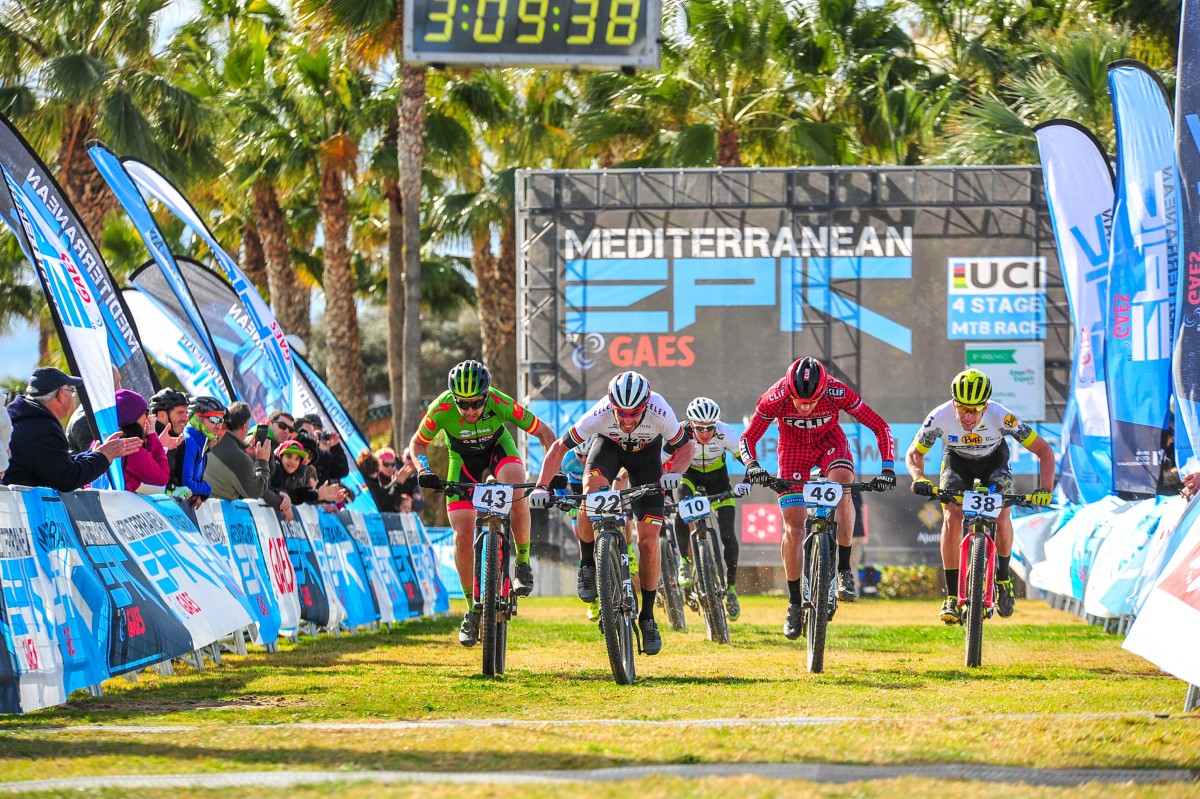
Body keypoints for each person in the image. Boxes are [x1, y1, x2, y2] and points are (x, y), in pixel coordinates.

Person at [530, 370, 695, 656]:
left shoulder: (660, 410)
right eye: (622, 414)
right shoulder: (600, 413)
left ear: (646, 405)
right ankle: (587, 565)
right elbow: (558, 448)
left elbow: (687, 448)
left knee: (648, 541)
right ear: (611, 405)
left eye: (635, 414)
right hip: (608, 451)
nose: (628, 420)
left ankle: (647, 617)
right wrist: (541, 486)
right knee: (590, 492)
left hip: (647, 461)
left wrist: (676, 473)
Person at [738, 356, 897, 640]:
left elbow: (880, 426)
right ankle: (794, 602)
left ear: (824, 389)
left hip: (829, 443)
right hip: (793, 451)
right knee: (794, 527)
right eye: (799, 401)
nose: (805, 407)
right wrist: (753, 466)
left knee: (843, 485)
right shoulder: (774, 396)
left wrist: (887, 467)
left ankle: (844, 570)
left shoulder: (837, 390)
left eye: (812, 402)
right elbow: (747, 439)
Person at [409, 359, 559, 648]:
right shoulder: (440, 408)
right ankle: (472, 610)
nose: (470, 411)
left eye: (476, 403)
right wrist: (424, 469)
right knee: (463, 537)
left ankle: (523, 563)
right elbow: (417, 444)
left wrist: (552, 474)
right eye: (462, 405)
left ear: (487, 395)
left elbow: (545, 433)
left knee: (515, 486)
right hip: (462, 462)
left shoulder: (501, 402)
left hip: (498, 452)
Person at [906, 368, 1055, 623]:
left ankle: (1003, 578)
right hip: (957, 462)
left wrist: (1046, 489)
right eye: (962, 408)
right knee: (952, 515)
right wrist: (919, 478)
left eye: (975, 409)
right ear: (954, 403)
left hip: (994, 462)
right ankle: (952, 597)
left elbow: (1044, 450)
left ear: (986, 406)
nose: (967, 415)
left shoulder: (1001, 415)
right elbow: (913, 454)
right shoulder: (939, 416)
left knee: (1002, 513)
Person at [672, 397, 752, 621]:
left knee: (727, 534)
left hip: (718, 480)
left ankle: (731, 588)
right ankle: (685, 563)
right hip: (689, 475)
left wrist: (747, 481)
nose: (705, 433)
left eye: (710, 427)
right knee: (683, 508)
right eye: (700, 428)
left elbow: (748, 460)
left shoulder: (725, 432)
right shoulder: (679, 432)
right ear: (691, 424)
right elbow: (662, 460)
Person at [5, 367, 142, 491]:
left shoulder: (24, 419)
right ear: (60, 395)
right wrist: (104, 456)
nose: (72, 396)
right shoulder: (42, 428)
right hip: (27, 513)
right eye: (71, 391)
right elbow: (67, 478)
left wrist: (93, 454)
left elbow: (56, 463)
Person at [205, 401, 276, 505]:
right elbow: (256, 491)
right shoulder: (240, 458)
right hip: (212, 515)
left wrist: (243, 450)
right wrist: (262, 461)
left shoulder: (210, 437)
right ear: (245, 427)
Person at [116, 389, 169, 494]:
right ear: (134, 418)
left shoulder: (106, 439)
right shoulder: (132, 448)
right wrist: (153, 436)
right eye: (146, 412)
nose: (148, 417)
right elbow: (163, 478)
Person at [271, 438, 346, 506]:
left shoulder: (299, 474)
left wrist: (318, 496)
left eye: (311, 456)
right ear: (281, 455)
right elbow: (268, 490)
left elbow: (295, 495)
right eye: (289, 456)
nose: (307, 457)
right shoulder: (275, 467)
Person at [180, 396, 226, 504]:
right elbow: (187, 484)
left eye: (221, 421)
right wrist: (207, 488)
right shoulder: (189, 441)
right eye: (214, 420)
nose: (219, 426)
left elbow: (195, 484)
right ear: (198, 418)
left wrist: (199, 495)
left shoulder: (202, 443)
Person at [149, 388, 189, 490]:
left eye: (186, 413)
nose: (185, 418)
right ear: (162, 414)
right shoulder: (147, 439)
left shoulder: (178, 438)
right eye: (180, 413)